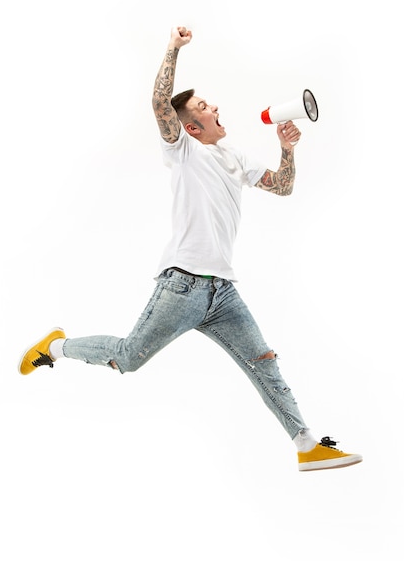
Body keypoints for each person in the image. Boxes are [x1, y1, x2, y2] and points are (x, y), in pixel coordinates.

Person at [18, 26, 362, 472]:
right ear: (190, 126)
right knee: (127, 358)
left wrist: (286, 149)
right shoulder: (183, 151)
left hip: (224, 293)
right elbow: (161, 106)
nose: (215, 106)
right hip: (182, 286)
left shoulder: (235, 158)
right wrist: (173, 49)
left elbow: (283, 188)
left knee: (265, 363)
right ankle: (57, 347)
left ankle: (307, 444)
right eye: (203, 106)